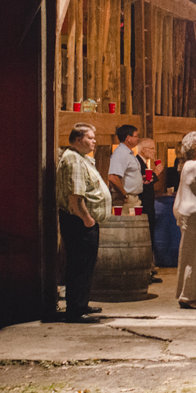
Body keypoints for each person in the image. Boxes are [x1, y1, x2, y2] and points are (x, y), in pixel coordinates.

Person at [55, 123, 111, 324]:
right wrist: (87, 219)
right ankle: (75, 310)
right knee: (79, 265)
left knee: (86, 265)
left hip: (82, 221)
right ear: (78, 140)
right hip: (78, 222)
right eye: (90, 137)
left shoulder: (80, 158)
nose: (94, 141)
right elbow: (75, 197)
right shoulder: (73, 161)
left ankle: (81, 303)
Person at [172, 130, 196, 309]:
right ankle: (188, 296)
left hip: (190, 214)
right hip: (194, 216)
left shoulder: (189, 166)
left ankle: (192, 293)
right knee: (194, 256)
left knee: (194, 255)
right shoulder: (194, 166)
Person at [135, 137, 166, 284]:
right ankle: (146, 271)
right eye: (152, 148)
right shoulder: (138, 162)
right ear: (143, 149)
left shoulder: (143, 162)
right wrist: (155, 173)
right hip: (144, 204)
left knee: (150, 236)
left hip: (148, 203)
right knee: (146, 237)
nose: (154, 151)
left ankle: (149, 270)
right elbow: (143, 184)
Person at [107, 124, 143, 209]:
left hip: (133, 198)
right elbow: (113, 177)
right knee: (127, 221)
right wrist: (124, 195)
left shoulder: (129, 153)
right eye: (136, 136)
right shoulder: (121, 153)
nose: (138, 138)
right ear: (128, 138)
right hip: (126, 200)